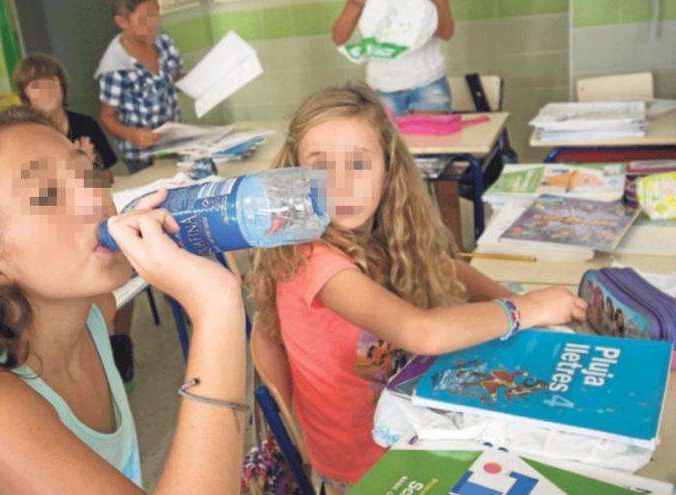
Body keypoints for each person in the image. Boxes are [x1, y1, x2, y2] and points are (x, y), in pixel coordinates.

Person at [0, 106, 248, 494]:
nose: (94, 196)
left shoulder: (93, 314)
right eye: (47, 194)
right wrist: (215, 308)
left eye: (86, 173)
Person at [249, 83, 587, 493]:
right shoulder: (312, 258)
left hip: (408, 425)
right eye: (321, 168)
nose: (342, 184)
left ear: (388, 169)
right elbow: (419, 333)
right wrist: (525, 310)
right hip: (368, 470)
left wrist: (512, 299)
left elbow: (442, 265)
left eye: (359, 164)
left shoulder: (372, 235)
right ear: (295, 177)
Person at [95, 0, 183, 173]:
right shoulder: (115, 66)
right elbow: (106, 117)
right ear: (122, 22)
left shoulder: (163, 42)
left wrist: (204, 82)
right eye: (144, 20)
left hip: (173, 142)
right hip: (142, 155)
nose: (154, 24)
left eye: (156, 14)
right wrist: (131, 135)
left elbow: (174, 80)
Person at [332, 0, 455, 115]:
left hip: (428, 83)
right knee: (391, 137)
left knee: (429, 136)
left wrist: (439, 2)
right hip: (383, 88)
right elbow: (338, 37)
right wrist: (356, 4)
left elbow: (446, 33)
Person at [14, 53, 117, 186]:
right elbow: (36, 195)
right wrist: (75, 170)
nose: (45, 91)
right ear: (25, 95)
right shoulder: (24, 138)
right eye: (36, 86)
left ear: (62, 86)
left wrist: (89, 169)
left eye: (51, 82)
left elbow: (108, 179)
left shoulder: (86, 124)